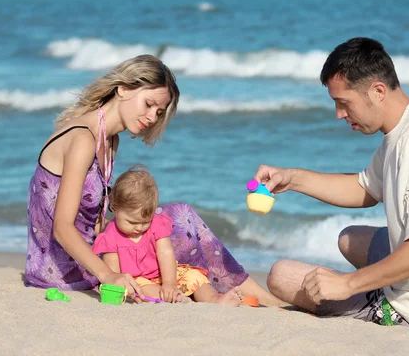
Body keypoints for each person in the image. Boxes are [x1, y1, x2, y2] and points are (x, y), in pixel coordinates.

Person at [254, 37, 409, 325]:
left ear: (378, 91)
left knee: (281, 275)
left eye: (343, 103)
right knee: (350, 240)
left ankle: (385, 301)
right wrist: (292, 179)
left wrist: (348, 283)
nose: (339, 114)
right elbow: (364, 189)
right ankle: (382, 283)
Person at [25, 54, 282, 306]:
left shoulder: (110, 139)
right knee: (180, 218)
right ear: (123, 89)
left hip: (93, 255)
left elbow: (96, 221)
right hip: (62, 269)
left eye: (159, 112)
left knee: (167, 223)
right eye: (148, 104)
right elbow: (62, 227)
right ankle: (253, 298)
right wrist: (109, 274)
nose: (152, 117)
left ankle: (241, 295)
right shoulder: (82, 138)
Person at [92, 165, 243, 306]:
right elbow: (114, 272)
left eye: (145, 222)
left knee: (195, 277)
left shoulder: (156, 224)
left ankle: (215, 300)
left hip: (164, 273)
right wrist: (121, 288)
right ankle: (175, 299)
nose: (138, 227)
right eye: (131, 222)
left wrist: (169, 282)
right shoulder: (111, 235)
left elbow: (165, 253)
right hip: (137, 279)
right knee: (143, 289)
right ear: (114, 207)